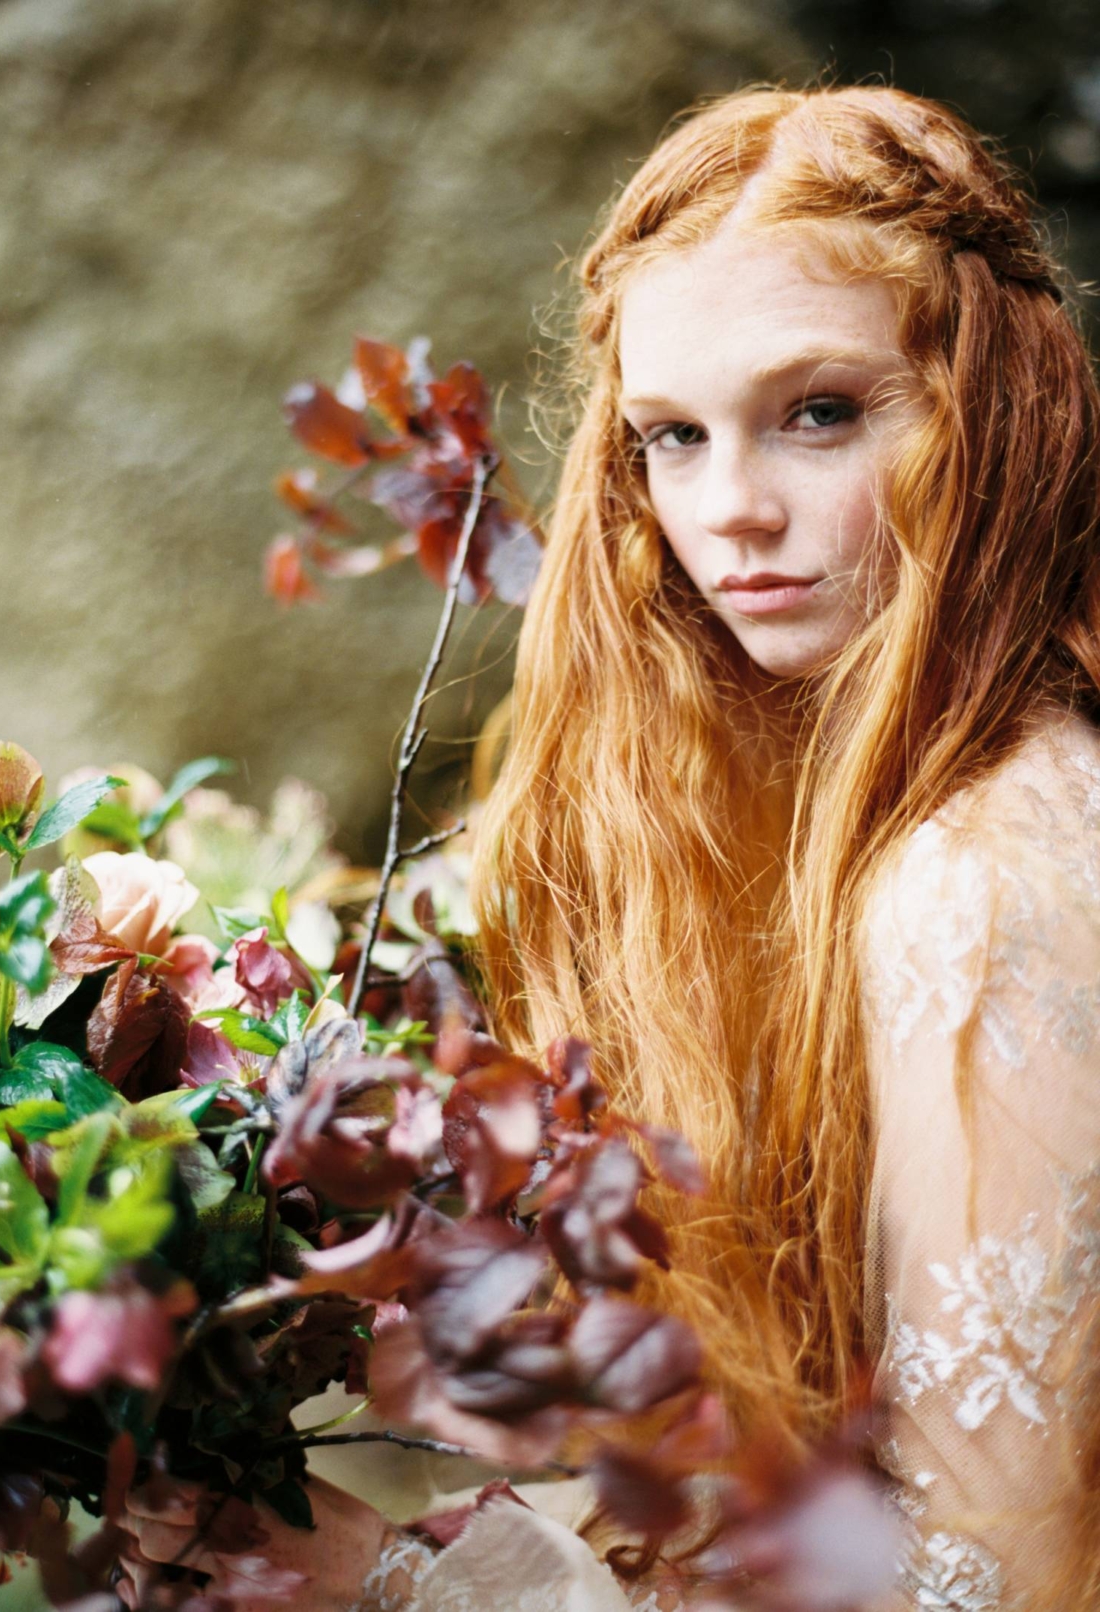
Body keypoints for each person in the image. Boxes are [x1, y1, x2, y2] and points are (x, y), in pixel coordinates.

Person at [128, 84, 1100, 1610]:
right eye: (672, 436)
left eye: (821, 411)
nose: (732, 513)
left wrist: (380, 1573)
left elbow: (991, 1587)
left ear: (991, 404)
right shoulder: (889, 792)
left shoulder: (985, 879)